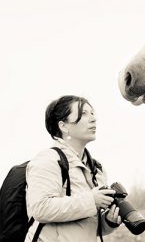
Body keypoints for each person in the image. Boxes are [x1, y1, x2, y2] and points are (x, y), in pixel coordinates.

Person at [25, 95, 121, 242]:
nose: (93, 119)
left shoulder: (96, 169)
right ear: (63, 126)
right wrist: (91, 200)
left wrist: (108, 221)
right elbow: (40, 209)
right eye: (83, 114)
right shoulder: (48, 160)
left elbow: (85, 226)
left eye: (92, 113)